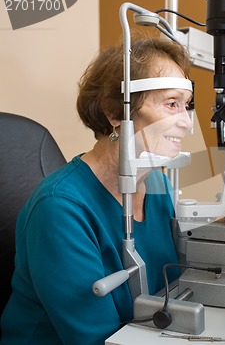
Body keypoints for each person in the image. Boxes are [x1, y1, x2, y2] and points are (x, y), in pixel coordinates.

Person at [0, 36, 193, 344]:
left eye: (186, 106)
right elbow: (96, 338)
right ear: (115, 112)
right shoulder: (59, 209)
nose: (185, 121)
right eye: (171, 104)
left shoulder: (158, 184)